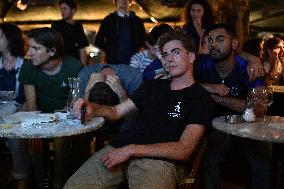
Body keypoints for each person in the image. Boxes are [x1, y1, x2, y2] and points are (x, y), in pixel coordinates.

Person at [63, 31, 215, 189]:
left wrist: (132, 150)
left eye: (175, 52)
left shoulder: (200, 98)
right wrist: (93, 107)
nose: (169, 59)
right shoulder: (152, 86)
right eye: (165, 54)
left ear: (191, 57)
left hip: (158, 160)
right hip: (121, 147)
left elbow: (184, 149)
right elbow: (116, 112)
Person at [195, 23, 272, 189]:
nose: (213, 44)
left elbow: (259, 108)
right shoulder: (202, 63)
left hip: (248, 124)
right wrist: (207, 86)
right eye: (210, 40)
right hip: (214, 124)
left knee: (262, 159)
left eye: (220, 39)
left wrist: (218, 98)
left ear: (235, 43)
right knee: (209, 158)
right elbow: (177, 80)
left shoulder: (249, 68)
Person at [18, 27, 83, 189]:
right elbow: (32, 104)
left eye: (35, 48)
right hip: (39, 114)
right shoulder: (28, 67)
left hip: (63, 116)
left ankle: (59, 182)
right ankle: (41, 181)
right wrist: (36, 131)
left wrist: (55, 125)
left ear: (52, 51)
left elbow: (72, 103)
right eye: (29, 47)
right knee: (33, 142)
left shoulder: (74, 66)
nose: (29, 53)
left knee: (62, 141)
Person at [0, 23, 27, 189]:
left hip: (18, 111)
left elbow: (28, 100)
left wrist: (16, 115)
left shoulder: (25, 66)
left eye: (0, 36)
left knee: (16, 133)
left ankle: (21, 177)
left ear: (9, 39)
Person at [95, 0, 146, 65]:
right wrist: (108, 52)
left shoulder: (137, 21)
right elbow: (99, 40)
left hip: (134, 61)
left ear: (130, 2)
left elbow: (143, 40)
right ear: (116, 1)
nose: (124, 0)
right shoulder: (108, 20)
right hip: (113, 61)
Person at [52, 0, 89, 65]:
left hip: (74, 59)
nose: (62, 11)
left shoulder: (78, 26)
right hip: (60, 60)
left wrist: (83, 66)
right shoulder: (57, 25)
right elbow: (53, 44)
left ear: (73, 10)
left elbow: (82, 47)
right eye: (61, 9)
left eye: (65, 8)